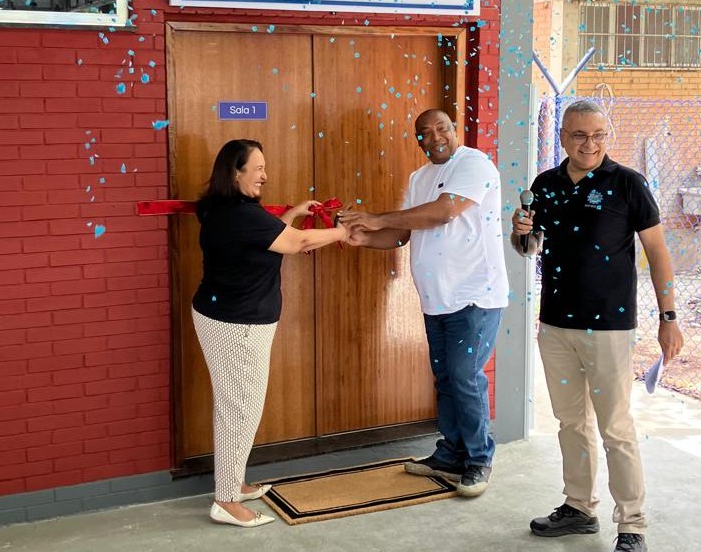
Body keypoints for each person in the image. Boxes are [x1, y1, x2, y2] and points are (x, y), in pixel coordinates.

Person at [511, 100, 684, 552]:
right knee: (570, 423)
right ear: (563, 137)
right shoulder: (544, 185)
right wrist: (521, 231)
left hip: (609, 327)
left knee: (616, 428)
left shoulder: (628, 184)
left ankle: (633, 524)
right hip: (555, 326)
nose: (590, 144)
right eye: (580, 136)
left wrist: (669, 318)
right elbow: (530, 249)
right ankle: (579, 508)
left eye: (599, 135)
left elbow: (659, 253)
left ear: (607, 136)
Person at [340, 108, 508, 497]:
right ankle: (450, 454)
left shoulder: (475, 164)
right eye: (424, 133)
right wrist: (364, 237)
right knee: (447, 378)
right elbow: (401, 234)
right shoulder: (419, 178)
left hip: (475, 296)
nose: (434, 138)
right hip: (437, 299)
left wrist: (377, 218)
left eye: (441, 129)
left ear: (454, 130)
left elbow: (445, 211)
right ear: (417, 139)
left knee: (466, 377)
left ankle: (479, 460)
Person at [192, 138, 349, 528]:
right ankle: (226, 500)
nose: (266, 175)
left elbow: (269, 236)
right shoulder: (244, 215)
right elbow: (296, 243)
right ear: (235, 172)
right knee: (239, 409)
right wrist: (343, 233)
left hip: (225, 316)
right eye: (258, 168)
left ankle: (235, 482)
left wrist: (293, 213)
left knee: (235, 405)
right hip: (237, 325)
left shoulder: (224, 208)